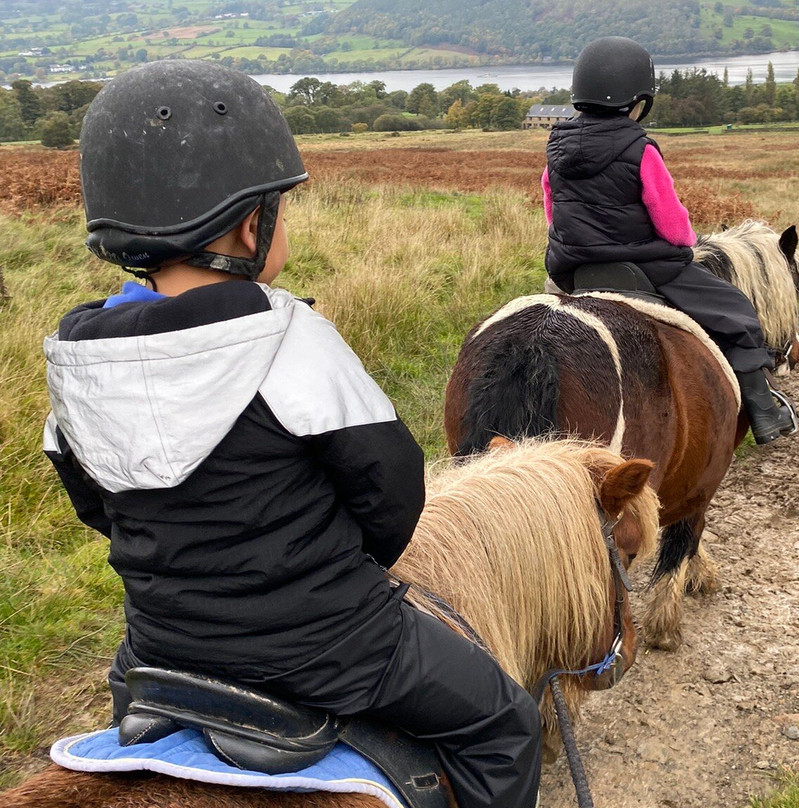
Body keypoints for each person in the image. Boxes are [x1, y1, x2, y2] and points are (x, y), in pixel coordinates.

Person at [42, 60, 540, 808]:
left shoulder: (78, 355)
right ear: (251, 224)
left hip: (157, 645)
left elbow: (94, 503)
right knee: (505, 724)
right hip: (332, 647)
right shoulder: (292, 339)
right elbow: (394, 495)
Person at [542, 36, 797, 445]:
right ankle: (764, 413)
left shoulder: (555, 146)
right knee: (737, 313)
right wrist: (687, 241)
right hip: (646, 266)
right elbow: (672, 224)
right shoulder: (639, 147)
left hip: (574, 270)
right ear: (638, 99)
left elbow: (552, 211)